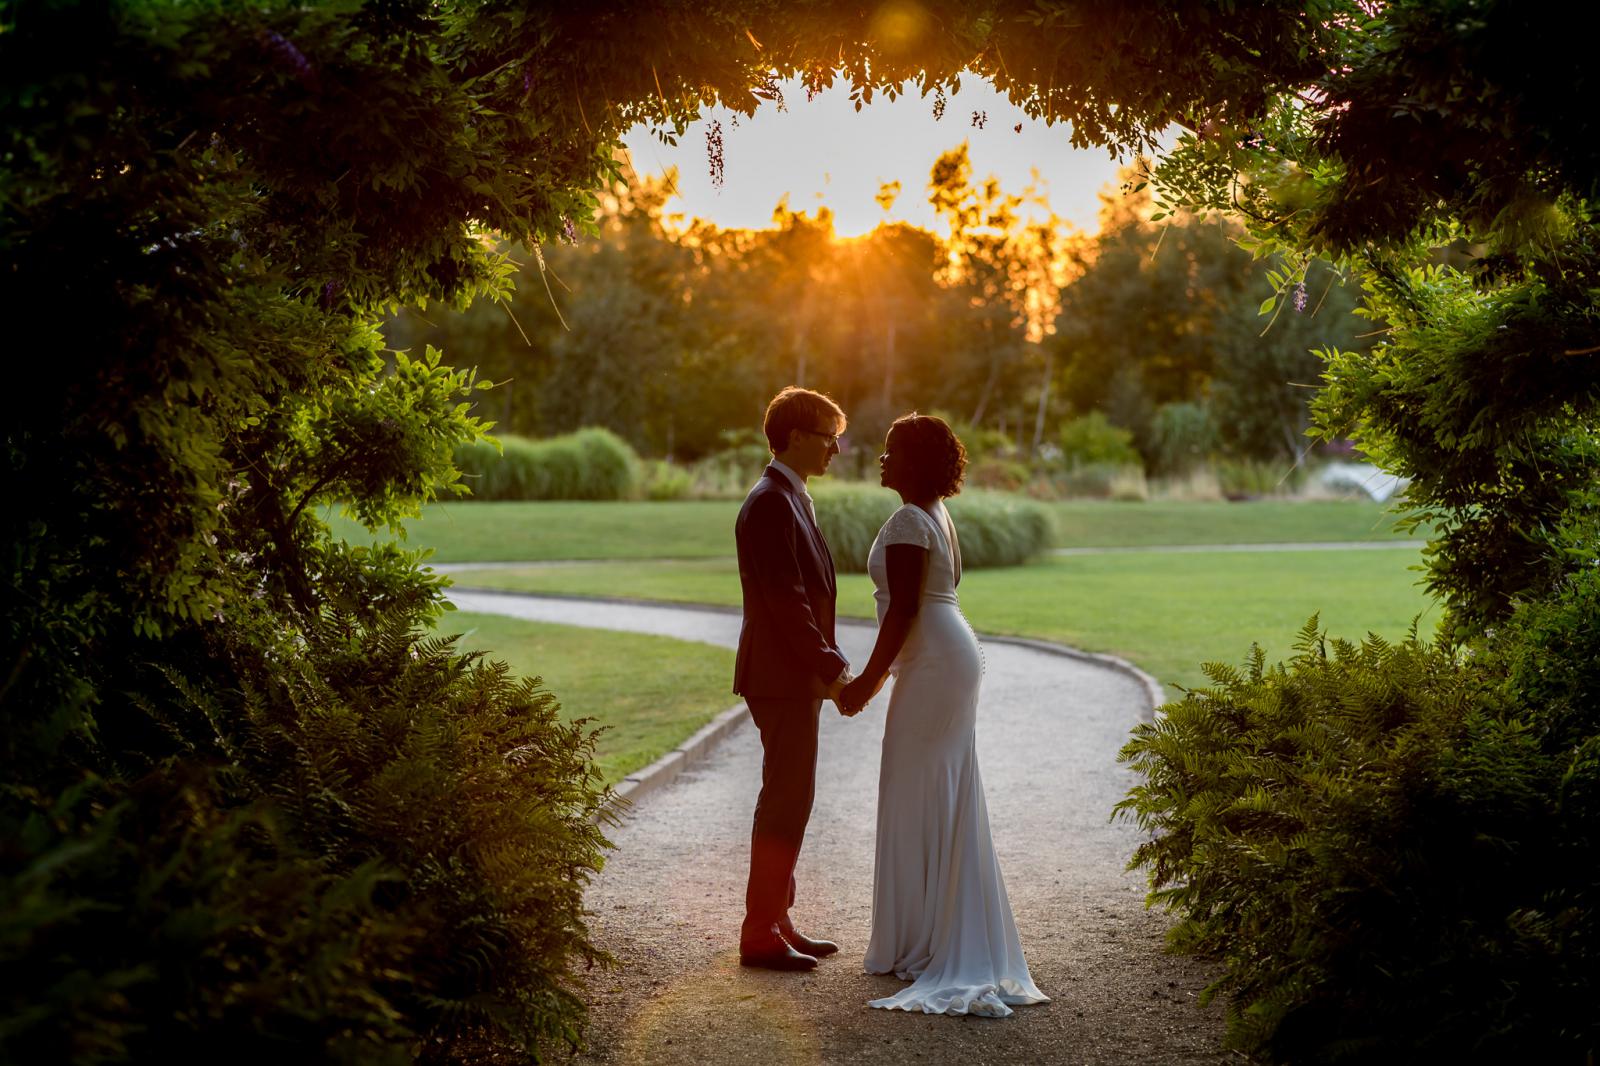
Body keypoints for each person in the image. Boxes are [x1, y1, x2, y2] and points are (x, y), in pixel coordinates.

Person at [839, 413, 1049, 1017]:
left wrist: (866, 684)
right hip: (949, 655)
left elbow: (903, 609)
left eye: (891, 450)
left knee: (915, 792)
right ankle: (927, 936)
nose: (881, 459)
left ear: (916, 461)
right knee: (935, 792)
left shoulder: (910, 518)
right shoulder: (937, 513)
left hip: (934, 663)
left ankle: (924, 941)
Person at [733, 386, 854, 971]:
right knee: (784, 800)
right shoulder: (770, 503)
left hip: (791, 676)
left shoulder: (791, 496)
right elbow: (788, 604)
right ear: (798, 435)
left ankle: (778, 919)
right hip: (780, 675)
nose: (836, 447)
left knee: (792, 798)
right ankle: (759, 933)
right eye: (829, 435)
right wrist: (831, 666)